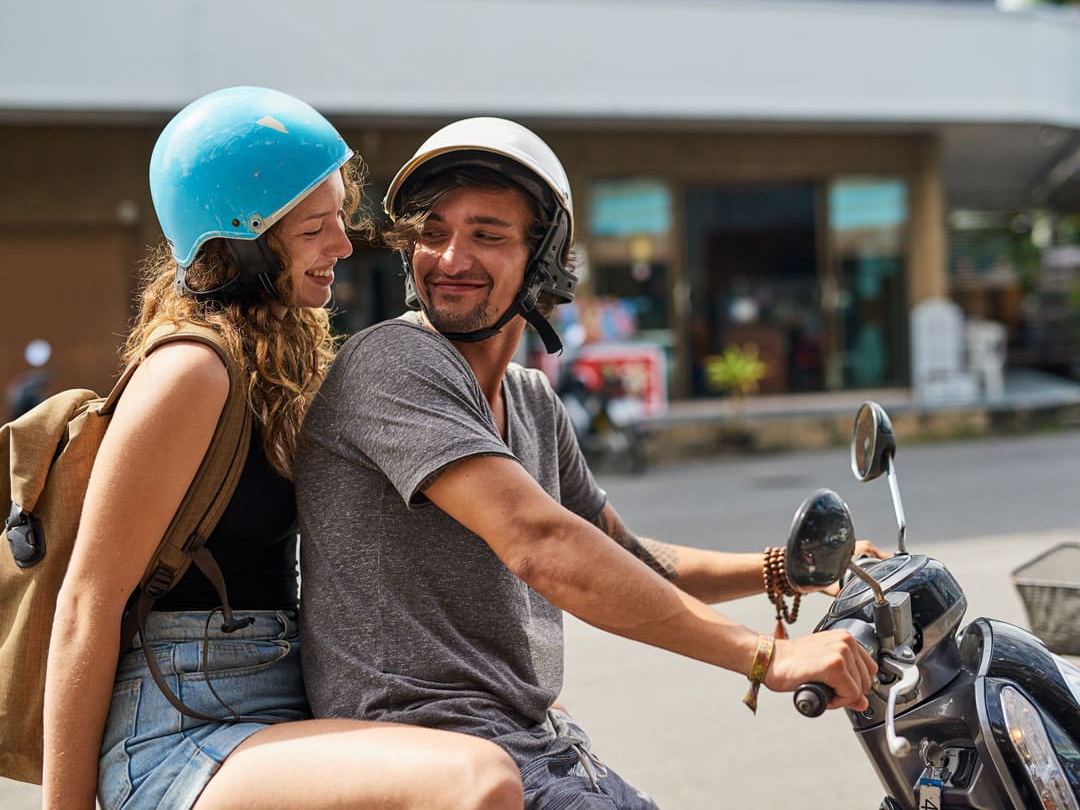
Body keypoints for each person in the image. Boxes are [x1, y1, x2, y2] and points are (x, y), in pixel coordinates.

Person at [295, 117, 882, 808]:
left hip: (532, 745)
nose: (450, 258)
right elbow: (539, 544)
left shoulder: (532, 400)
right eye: (432, 232)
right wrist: (768, 655)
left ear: (541, 259)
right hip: (431, 756)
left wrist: (779, 570)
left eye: (487, 235)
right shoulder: (393, 362)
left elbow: (622, 556)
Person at [42, 89, 523, 810]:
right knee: (476, 781)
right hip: (179, 729)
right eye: (313, 229)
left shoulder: (286, 354)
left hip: (283, 705)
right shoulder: (191, 371)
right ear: (243, 241)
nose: (343, 245)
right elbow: (87, 602)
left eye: (340, 219)